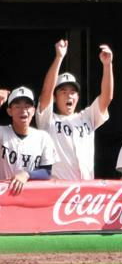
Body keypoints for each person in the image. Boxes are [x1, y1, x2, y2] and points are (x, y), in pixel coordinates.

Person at [36, 39, 114, 180]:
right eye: (63, 92)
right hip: (59, 191)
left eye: (73, 92)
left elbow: (106, 98)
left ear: (77, 97)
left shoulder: (87, 116)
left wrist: (107, 65)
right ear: (55, 97)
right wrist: (59, 57)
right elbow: (46, 92)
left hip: (86, 190)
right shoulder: (48, 120)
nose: (69, 95)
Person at [0, 86, 58, 195]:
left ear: (33, 110)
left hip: (32, 198)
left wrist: (27, 174)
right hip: (4, 196)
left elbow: (47, 172)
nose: (23, 110)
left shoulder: (43, 137)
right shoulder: (2, 133)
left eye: (27, 106)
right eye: (17, 106)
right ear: (9, 111)